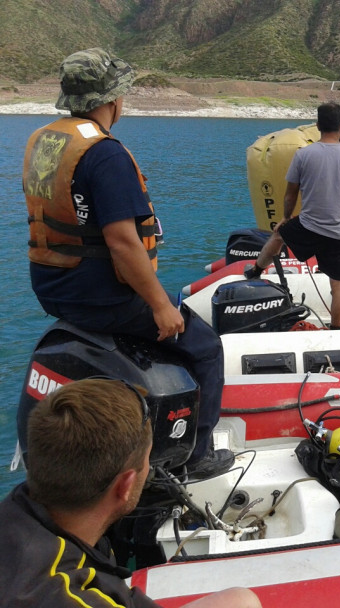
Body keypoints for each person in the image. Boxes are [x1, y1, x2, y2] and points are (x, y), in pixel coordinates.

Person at [22, 48, 231, 479]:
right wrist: (160, 307)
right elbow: (122, 243)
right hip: (99, 295)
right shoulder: (105, 155)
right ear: (113, 99)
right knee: (206, 347)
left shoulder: (46, 139)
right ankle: (197, 457)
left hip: (52, 288)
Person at [0, 378, 261, 608]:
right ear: (125, 486)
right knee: (243, 602)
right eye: (148, 461)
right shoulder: (65, 595)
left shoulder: (18, 513)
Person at [245, 102, 340, 330]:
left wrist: (285, 218)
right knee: (338, 286)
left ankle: (255, 270)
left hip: (310, 226)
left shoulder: (303, 155)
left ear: (318, 125)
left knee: (277, 237)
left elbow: (290, 194)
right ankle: (335, 329)